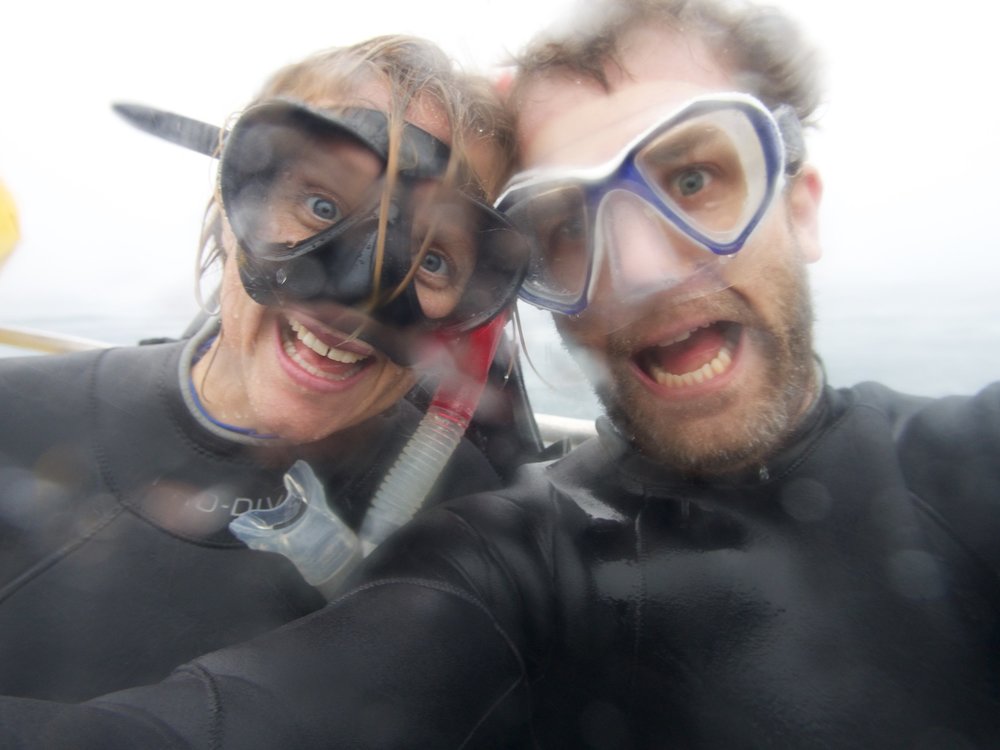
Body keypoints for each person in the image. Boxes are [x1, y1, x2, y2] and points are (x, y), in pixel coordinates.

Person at [1, 0, 998, 747]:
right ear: (230, 191)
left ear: (805, 202)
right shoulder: (506, 552)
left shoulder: (971, 463)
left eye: (693, 177)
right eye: (570, 224)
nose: (645, 268)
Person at [0, 35, 533, 703]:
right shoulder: (12, 424)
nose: (356, 297)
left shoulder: (466, 505)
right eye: (321, 206)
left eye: (431, 259)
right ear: (232, 196)